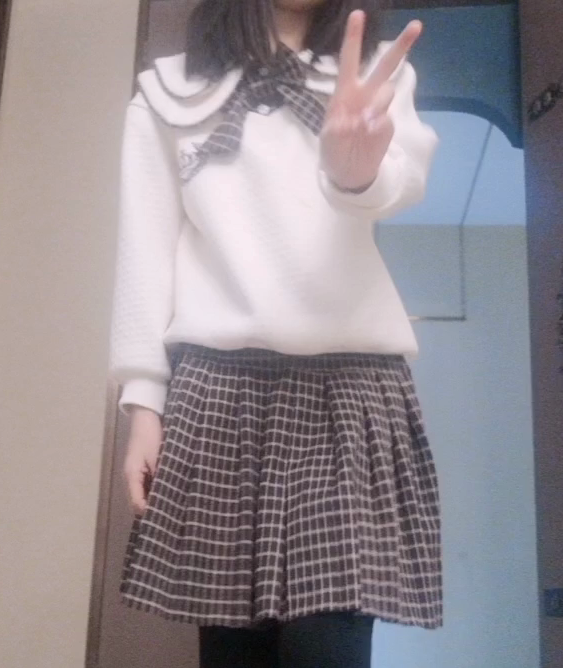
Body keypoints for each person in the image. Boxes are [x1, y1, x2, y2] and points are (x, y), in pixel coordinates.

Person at [109, 1, 441, 665]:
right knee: (233, 649)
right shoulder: (169, 92)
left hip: (350, 388)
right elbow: (145, 251)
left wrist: (354, 170)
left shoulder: (376, 74)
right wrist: (144, 401)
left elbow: (401, 182)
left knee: (329, 643)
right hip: (219, 393)